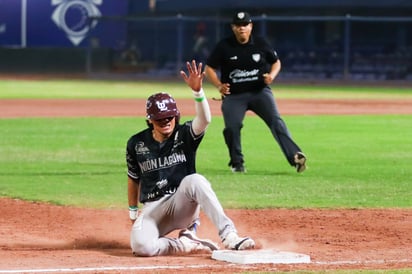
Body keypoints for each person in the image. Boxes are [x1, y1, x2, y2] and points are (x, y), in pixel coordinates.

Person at [126, 60, 255, 256]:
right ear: (150, 120)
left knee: (195, 180)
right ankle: (185, 244)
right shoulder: (136, 143)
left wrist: (198, 92)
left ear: (175, 116)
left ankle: (229, 235)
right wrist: (133, 211)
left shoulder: (185, 134)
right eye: (160, 119)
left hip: (182, 202)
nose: (166, 122)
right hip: (153, 208)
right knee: (141, 248)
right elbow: (133, 177)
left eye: (169, 117)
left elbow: (205, 120)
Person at [204, 11, 307, 173]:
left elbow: (276, 62)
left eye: (245, 25)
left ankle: (295, 157)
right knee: (232, 127)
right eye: (238, 26)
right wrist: (218, 85)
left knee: (276, 121)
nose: (241, 28)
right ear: (233, 28)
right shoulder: (224, 46)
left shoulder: (261, 43)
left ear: (250, 26)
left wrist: (271, 76)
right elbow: (208, 68)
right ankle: (237, 163)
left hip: (260, 92)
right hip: (235, 95)